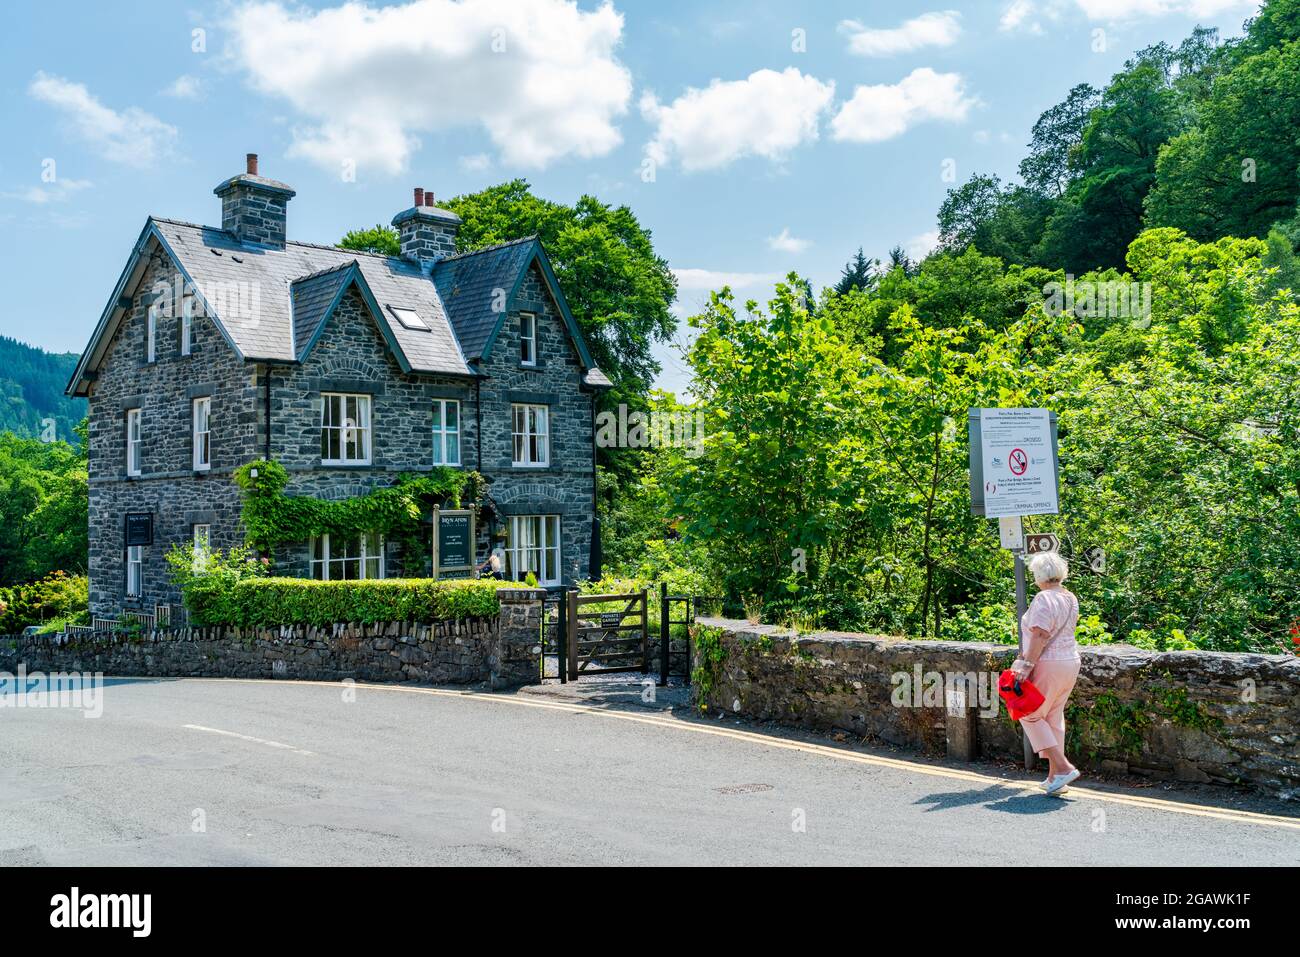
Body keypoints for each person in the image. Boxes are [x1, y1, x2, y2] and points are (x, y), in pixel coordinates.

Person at [1011, 550, 1082, 795]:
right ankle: (1054, 778)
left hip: (1048, 663)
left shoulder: (1043, 598)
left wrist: (1025, 666)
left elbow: (1040, 635)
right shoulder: (1070, 597)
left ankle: (1062, 767)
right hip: (1070, 661)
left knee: (1028, 713)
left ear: (1039, 575)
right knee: (1053, 715)